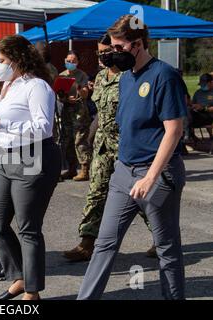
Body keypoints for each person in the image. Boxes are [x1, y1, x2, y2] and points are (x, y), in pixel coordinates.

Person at [78, 15, 187, 300]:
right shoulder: (126, 78)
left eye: (118, 47)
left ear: (137, 44)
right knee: (104, 243)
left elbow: (174, 131)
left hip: (157, 175)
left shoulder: (164, 75)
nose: (113, 53)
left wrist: (151, 177)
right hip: (124, 172)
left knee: (166, 247)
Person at [0, 35, 62, 300]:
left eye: (1, 61)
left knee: (28, 228)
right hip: (5, 158)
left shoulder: (37, 86)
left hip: (33, 155)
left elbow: (43, 127)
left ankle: (32, 291)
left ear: (17, 59)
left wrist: (1, 125)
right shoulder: (7, 85)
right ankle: (18, 276)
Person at [63, 34, 153, 263]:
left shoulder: (130, 77)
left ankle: (160, 237)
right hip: (103, 146)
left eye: (106, 52)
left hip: (125, 145)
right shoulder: (101, 77)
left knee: (138, 196)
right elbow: (99, 111)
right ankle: (87, 242)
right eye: (99, 53)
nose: (102, 57)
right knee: (95, 193)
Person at [59, 50, 92, 181]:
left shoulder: (82, 75)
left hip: (79, 113)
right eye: (68, 61)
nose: (70, 63)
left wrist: (77, 87)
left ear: (77, 62)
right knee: (67, 141)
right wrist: (65, 99)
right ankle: (72, 168)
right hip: (67, 111)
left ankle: (84, 169)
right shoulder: (61, 75)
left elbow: (85, 94)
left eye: (73, 61)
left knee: (80, 140)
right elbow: (59, 95)